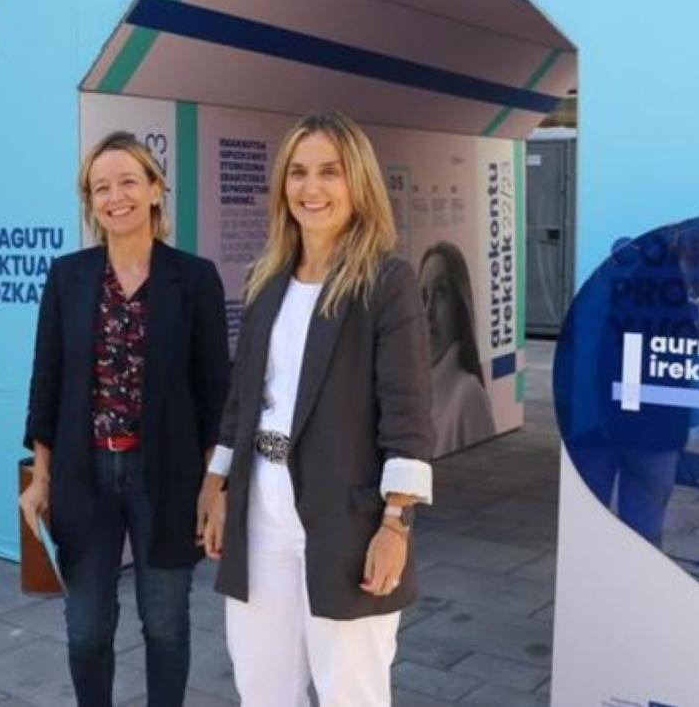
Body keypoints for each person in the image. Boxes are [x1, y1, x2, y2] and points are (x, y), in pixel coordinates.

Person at [197, 110, 434, 707]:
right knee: (262, 689)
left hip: (346, 521)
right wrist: (217, 484)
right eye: (298, 172)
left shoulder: (387, 282)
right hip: (261, 515)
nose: (312, 187)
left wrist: (396, 524)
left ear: (358, 182)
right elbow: (241, 398)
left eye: (330, 171)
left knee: (350, 692)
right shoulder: (265, 279)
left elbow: (407, 415)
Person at [20, 131, 230, 707]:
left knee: (165, 625)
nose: (116, 197)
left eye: (129, 182)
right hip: (84, 474)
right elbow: (46, 382)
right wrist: (40, 477)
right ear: (90, 202)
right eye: (101, 188)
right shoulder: (68, 277)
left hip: (167, 477)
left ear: (156, 190)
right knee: (87, 628)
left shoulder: (194, 278)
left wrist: (213, 488)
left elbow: (215, 395)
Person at [418, 241, 494, 456]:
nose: (428, 311)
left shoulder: (469, 397)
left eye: (441, 293)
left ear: (459, 306)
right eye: (423, 296)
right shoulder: (414, 391)